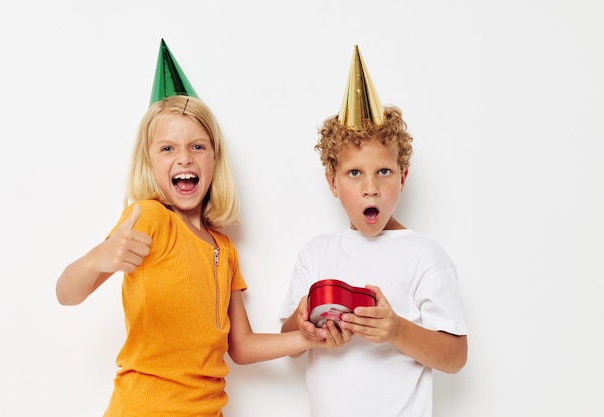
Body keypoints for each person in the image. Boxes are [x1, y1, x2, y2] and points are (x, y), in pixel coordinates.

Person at [56, 39, 344, 417]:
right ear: (150, 161)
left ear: (214, 157)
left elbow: (241, 347)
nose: (184, 158)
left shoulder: (224, 249)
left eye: (197, 146)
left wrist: (308, 339)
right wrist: (99, 258)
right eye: (167, 149)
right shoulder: (150, 217)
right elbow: (66, 293)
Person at [279, 45, 468, 417]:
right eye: (354, 173)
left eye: (383, 171)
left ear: (403, 177)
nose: (371, 188)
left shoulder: (425, 255)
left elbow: (455, 357)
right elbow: (291, 343)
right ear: (332, 183)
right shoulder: (315, 253)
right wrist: (304, 322)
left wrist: (397, 330)